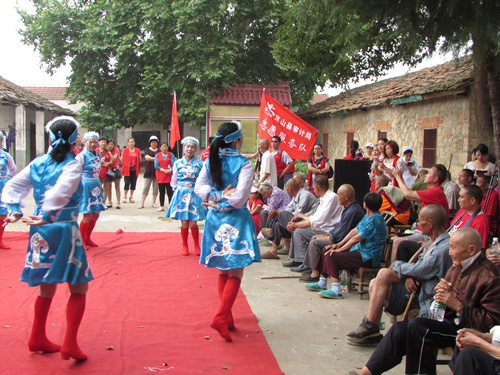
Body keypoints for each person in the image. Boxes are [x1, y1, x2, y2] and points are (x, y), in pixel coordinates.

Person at [344, 227, 500, 375]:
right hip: (447, 321)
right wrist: (443, 293)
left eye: (454, 248)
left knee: (419, 327)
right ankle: (367, 372)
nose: (450, 253)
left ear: (471, 250)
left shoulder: (490, 276)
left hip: (469, 329)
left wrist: (458, 306)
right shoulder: (456, 267)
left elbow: (491, 322)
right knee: (399, 329)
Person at [2, 116, 93, 361]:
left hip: (40, 231)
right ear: (75, 139)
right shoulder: (72, 164)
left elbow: (11, 186)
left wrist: (14, 209)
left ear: (50, 137)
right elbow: (61, 191)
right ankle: (70, 343)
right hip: (62, 228)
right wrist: (49, 214)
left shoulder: (38, 163)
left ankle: (37, 336)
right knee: (78, 285)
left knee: (46, 285)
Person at [346, 204, 452, 346]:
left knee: (382, 275)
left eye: (420, 221)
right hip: (417, 283)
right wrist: (409, 276)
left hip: (424, 294)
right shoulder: (430, 242)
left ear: (430, 223)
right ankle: (372, 328)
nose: (418, 224)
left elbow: (422, 269)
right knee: (377, 280)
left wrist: (398, 266)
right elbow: (417, 269)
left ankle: (371, 327)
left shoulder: (443, 248)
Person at [194, 121, 260, 342]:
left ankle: (228, 316)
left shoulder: (210, 160)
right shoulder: (244, 164)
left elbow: (200, 188)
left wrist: (216, 197)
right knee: (236, 272)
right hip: (236, 220)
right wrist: (224, 197)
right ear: (238, 141)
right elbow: (241, 197)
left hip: (214, 218)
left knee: (223, 269)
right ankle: (222, 316)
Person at [306, 192, 387, 299]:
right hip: (359, 252)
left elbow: (357, 238)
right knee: (326, 249)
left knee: (332, 255)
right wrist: (338, 244)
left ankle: (336, 289)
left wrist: (340, 249)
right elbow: (355, 231)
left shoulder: (375, 219)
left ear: (365, 204)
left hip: (367, 256)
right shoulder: (367, 216)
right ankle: (322, 282)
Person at [301, 184, 365, 282]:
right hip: (340, 237)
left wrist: (328, 238)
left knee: (315, 242)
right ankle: (312, 267)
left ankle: (315, 274)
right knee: (315, 237)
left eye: (339, 195)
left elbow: (340, 235)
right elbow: (339, 227)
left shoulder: (352, 211)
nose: (337, 197)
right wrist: (327, 234)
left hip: (344, 243)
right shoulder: (348, 208)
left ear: (346, 197)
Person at [391, 163, 449, 264]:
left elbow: (408, 194)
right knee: (395, 237)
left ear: (435, 178)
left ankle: (392, 272)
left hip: (430, 234)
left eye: (429, 173)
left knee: (397, 242)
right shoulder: (432, 190)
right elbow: (409, 192)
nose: (426, 175)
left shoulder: (436, 192)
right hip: (420, 229)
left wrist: (397, 176)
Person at [280, 175, 343, 268]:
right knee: (296, 228)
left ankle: (302, 261)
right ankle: (297, 259)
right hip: (320, 226)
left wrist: (297, 225)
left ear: (316, 187)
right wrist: (302, 217)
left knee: (298, 231)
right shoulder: (324, 198)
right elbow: (315, 217)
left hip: (328, 231)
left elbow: (318, 220)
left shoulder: (331, 198)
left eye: (313, 187)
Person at [166, 136, 206, 256]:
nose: (189, 149)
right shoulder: (178, 163)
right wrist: (177, 191)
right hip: (182, 193)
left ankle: (196, 245)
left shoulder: (200, 163)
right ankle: (185, 245)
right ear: (183, 148)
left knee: (193, 222)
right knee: (184, 222)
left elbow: (203, 179)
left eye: (192, 147)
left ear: (195, 149)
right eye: (187, 146)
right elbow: (173, 181)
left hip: (194, 193)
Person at [262, 178, 319, 259]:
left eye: (287, 188)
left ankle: (271, 235)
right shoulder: (294, 197)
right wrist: (276, 212)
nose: (287, 190)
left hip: (305, 224)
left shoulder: (305, 195)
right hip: (295, 224)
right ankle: (273, 251)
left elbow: (298, 214)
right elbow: (289, 210)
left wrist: (280, 213)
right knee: (278, 224)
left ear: (290, 188)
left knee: (282, 215)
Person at [76, 132, 106, 248]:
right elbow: (74, 172)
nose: (93, 144)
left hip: (96, 185)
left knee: (95, 214)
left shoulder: (97, 155)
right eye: (90, 142)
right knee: (87, 214)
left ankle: (87, 238)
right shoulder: (81, 156)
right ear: (85, 142)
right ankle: (79, 240)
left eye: (95, 142)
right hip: (85, 185)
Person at [0, 133, 16, 249]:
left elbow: (13, 168)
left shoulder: (5, 155)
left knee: (2, 213)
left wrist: (8, 179)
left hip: (2, 186)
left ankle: (0, 239)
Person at [154, 141, 176, 212]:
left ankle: (171, 205)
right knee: (161, 192)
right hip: (160, 176)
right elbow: (156, 165)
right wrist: (164, 170)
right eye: (163, 146)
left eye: (166, 146)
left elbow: (174, 164)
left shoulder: (171, 155)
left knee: (170, 192)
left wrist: (171, 170)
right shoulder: (157, 155)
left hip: (169, 176)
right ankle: (162, 205)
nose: (164, 148)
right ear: (160, 148)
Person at [139, 135, 159, 209]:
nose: (154, 144)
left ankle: (154, 202)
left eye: (155, 142)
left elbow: (160, 159)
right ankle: (142, 203)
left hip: (157, 171)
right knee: (146, 187)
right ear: (150, 143)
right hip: (148, 171)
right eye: (152, 142)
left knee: (156, 188)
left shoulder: (159, 150)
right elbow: (147, 158)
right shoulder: (147, 150)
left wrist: (153, 159)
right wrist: (156, 159)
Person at [120, 137, 141, 203]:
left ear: (134, 143)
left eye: (132, 142)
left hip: (134, 169)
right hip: (127, 169)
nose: (131, 143)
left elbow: (139, 159)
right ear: (128, 143)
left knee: (133, 183)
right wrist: (126, 165)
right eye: (130, 142)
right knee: (126, 183)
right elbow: (122, 159)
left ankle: (131, 196)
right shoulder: (125, 150)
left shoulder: (137, 150)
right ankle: (124, 196)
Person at [96, 136, 112, 208]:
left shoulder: (108, 151)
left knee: (106, 188)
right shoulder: (96, 151)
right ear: (99, 142)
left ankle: (103, 203)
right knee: (98, 187)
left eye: (105, 142)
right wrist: (100, 163)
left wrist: (108, 163)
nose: (104, 143)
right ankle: (97, 202)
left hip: (106, 171)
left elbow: (112, 160)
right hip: (98, 171)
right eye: (102, 142)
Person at [106, 139, 121, 209]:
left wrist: (109, 152)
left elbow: (113, 158)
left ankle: (118, 202)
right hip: (108, 169)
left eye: (111, 144)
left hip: (116, 169)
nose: (110, 146)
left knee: (117, 186)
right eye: (108, 144)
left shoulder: (117, 150)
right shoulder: (105, 151)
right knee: (109, 186)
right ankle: (109, 201)